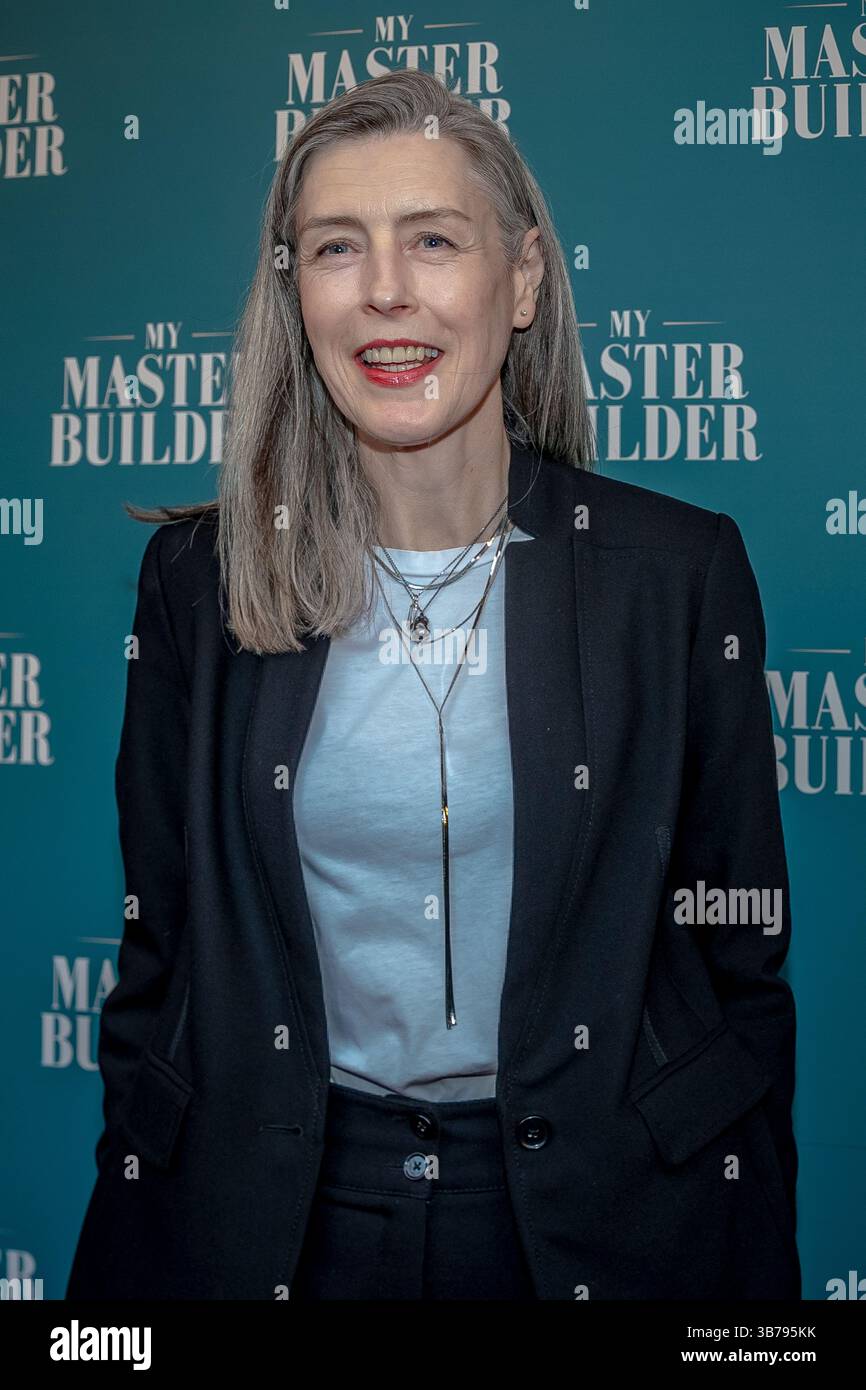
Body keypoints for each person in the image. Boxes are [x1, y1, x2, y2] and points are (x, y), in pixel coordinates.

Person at [66, 68, 799, 1301]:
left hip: (605, 1218)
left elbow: (736, 959)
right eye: (335, 247)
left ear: (518, 282)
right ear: (293, 291)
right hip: (281, 1214)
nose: (385, 290)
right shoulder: (195, 581)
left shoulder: (675, 573)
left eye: (432, 241)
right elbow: (163, 957)